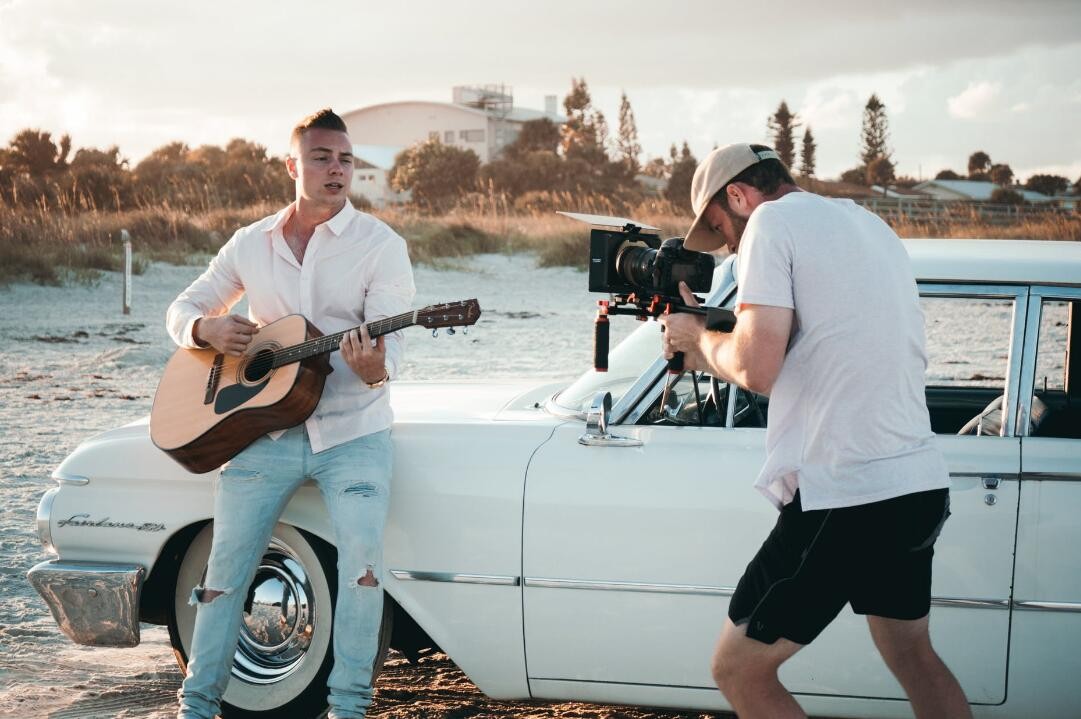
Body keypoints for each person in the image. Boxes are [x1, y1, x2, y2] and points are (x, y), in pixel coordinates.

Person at [660, 143, 971, 719]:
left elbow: (756, 369)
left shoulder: (771, 223)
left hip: (846, 491)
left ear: (738, 196)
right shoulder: (865, 222)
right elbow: (821, 350)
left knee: (738, 669)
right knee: (913, 657)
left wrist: (698, 336)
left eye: (722, 227)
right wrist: (705, 345)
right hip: (916, 482)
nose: (728, 243)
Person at [165, 108, 415, 719]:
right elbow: (183, 308)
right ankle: (196, 705)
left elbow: (396, 353)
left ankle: (348, 708)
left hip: (354, 432)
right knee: (224, 571)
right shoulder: (251, 243)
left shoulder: (381, 246)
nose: (337, 170)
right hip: (260, 430)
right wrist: (205, 328)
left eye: (346, 160)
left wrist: (373, 365)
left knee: (362, 569)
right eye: (323, 158)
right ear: (292, 166)